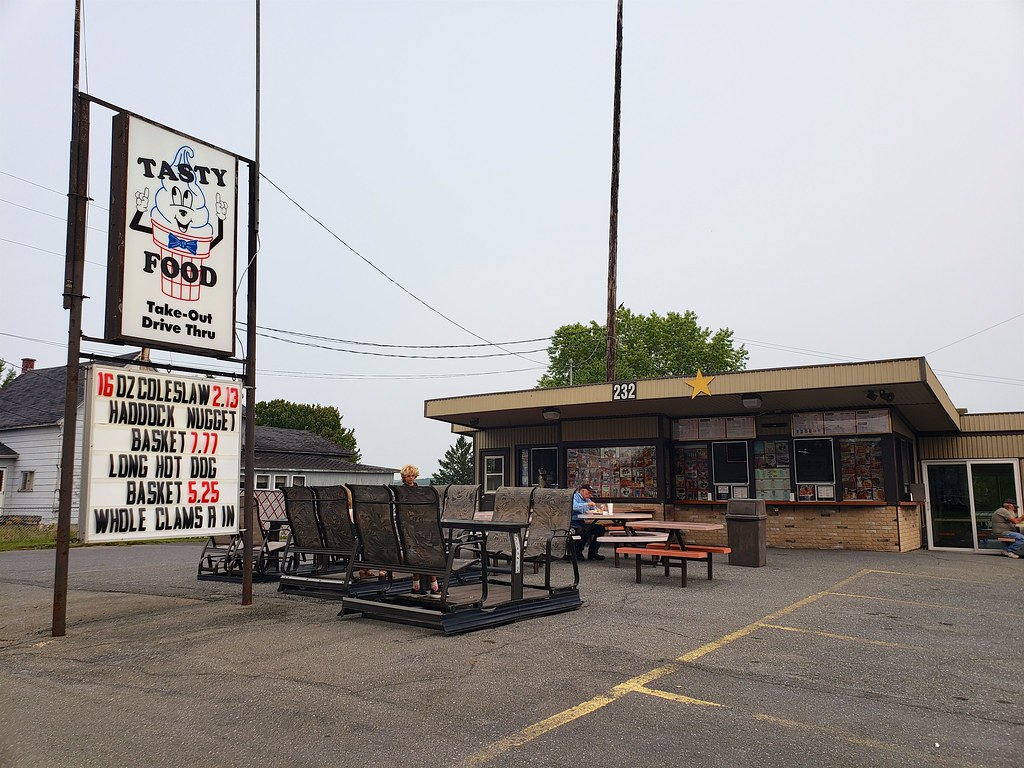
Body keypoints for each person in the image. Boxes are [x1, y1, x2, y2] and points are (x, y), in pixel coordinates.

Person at [400, 464, 442, 596]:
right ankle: (434, 587)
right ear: (404, 477)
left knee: (418, 555)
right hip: (412, 526)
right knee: (426, 553)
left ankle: (417, 586)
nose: (410, 478)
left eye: (412, 476)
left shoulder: (412, 490)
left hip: (416, 524)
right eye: (408, 476)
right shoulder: (404, 492)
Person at [571, 484, 605, 561]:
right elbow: (573, 506)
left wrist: (601, 509)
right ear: (582, 491)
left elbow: (595, 509)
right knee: (584, 531)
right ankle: (578, 553)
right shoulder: (575, 497)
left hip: (581, 522)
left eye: (591, 493)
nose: (590, 495)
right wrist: (587, 504)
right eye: (588, 492)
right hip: (572, 522)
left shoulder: (588, 499)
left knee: (600, 529)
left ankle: (593, 553)